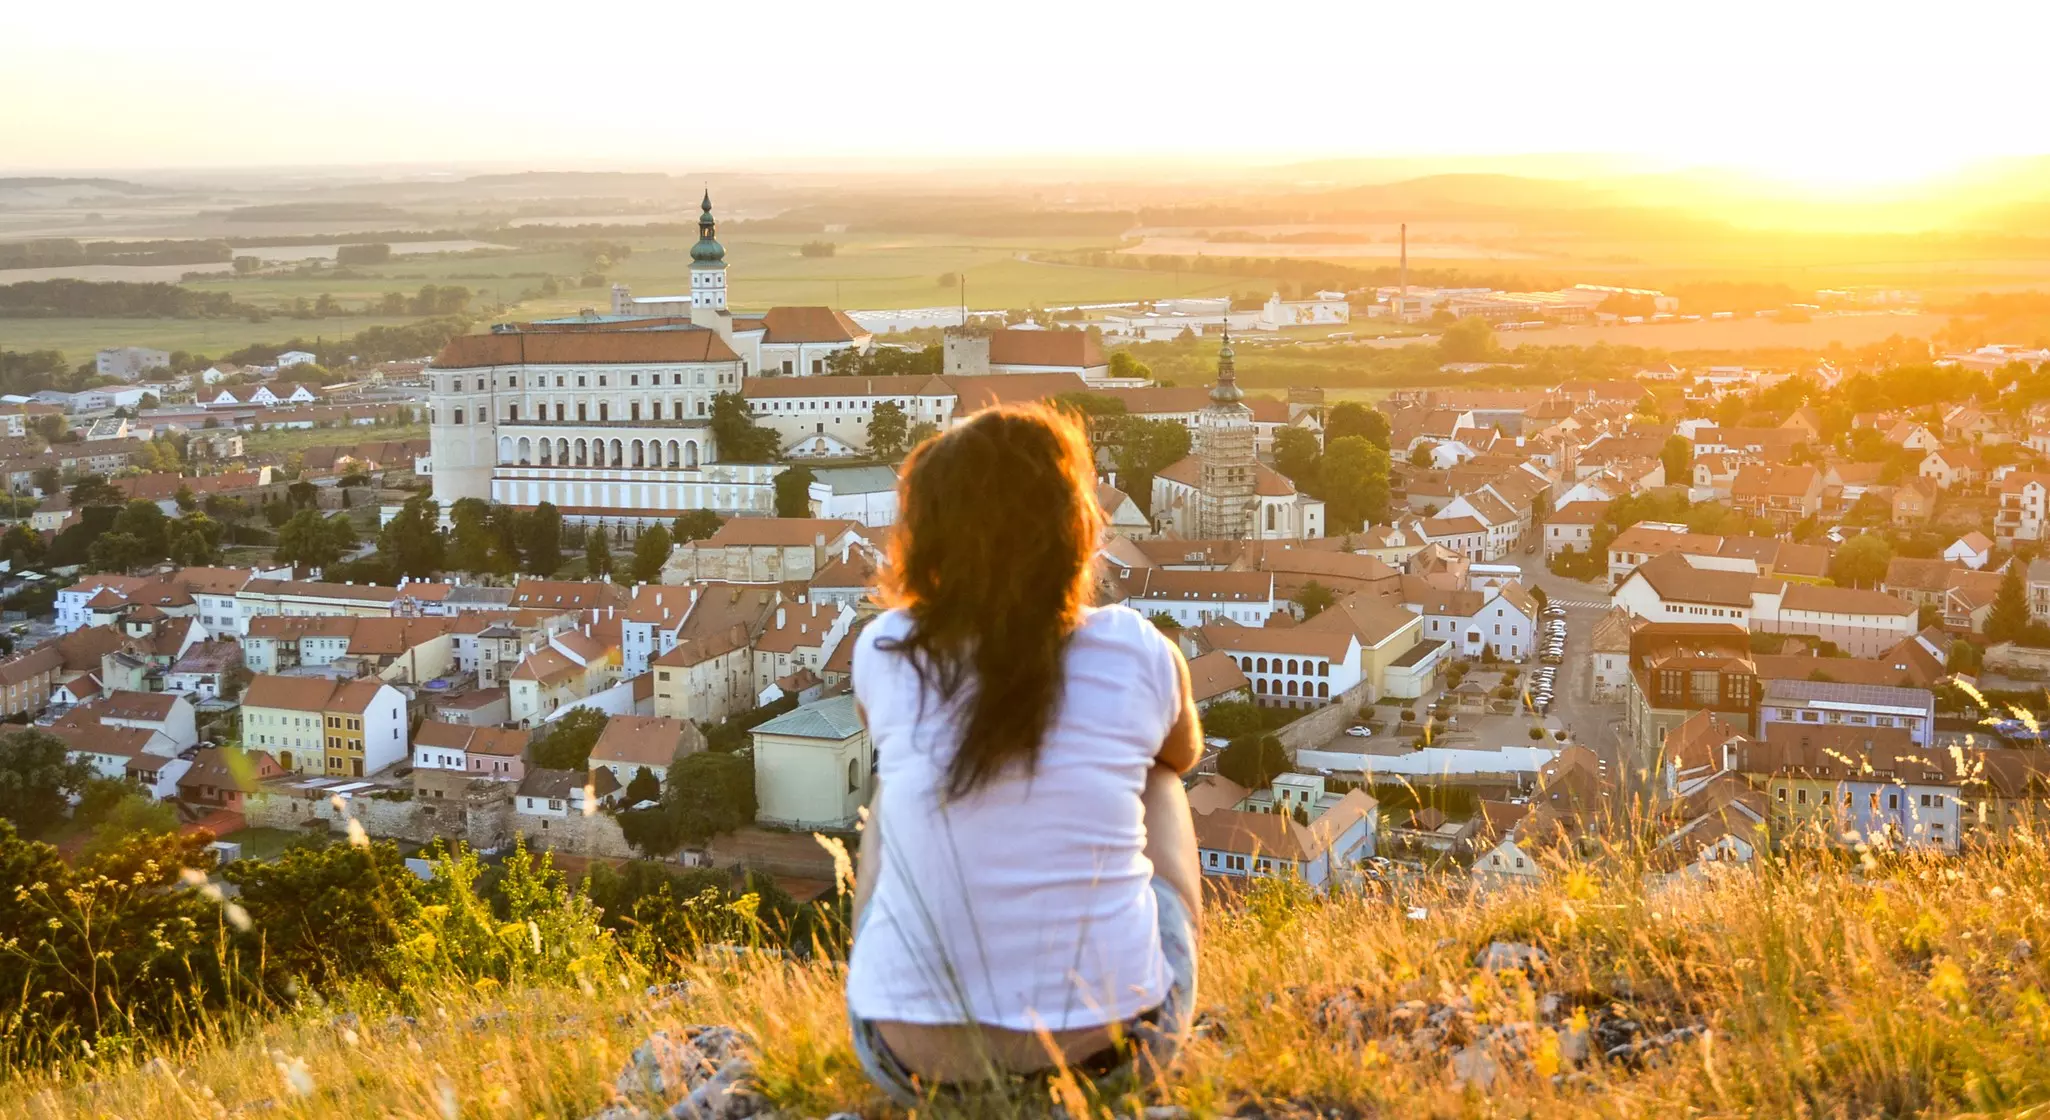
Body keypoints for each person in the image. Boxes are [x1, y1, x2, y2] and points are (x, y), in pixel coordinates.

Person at [845, 404, 1203, 1105]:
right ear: (1074, 527)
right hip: (1115, 1054)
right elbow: (1183, 756)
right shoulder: (1137, 648)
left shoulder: (886, 649)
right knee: (1160, 778)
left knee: (895, 787)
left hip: (907, 1064)